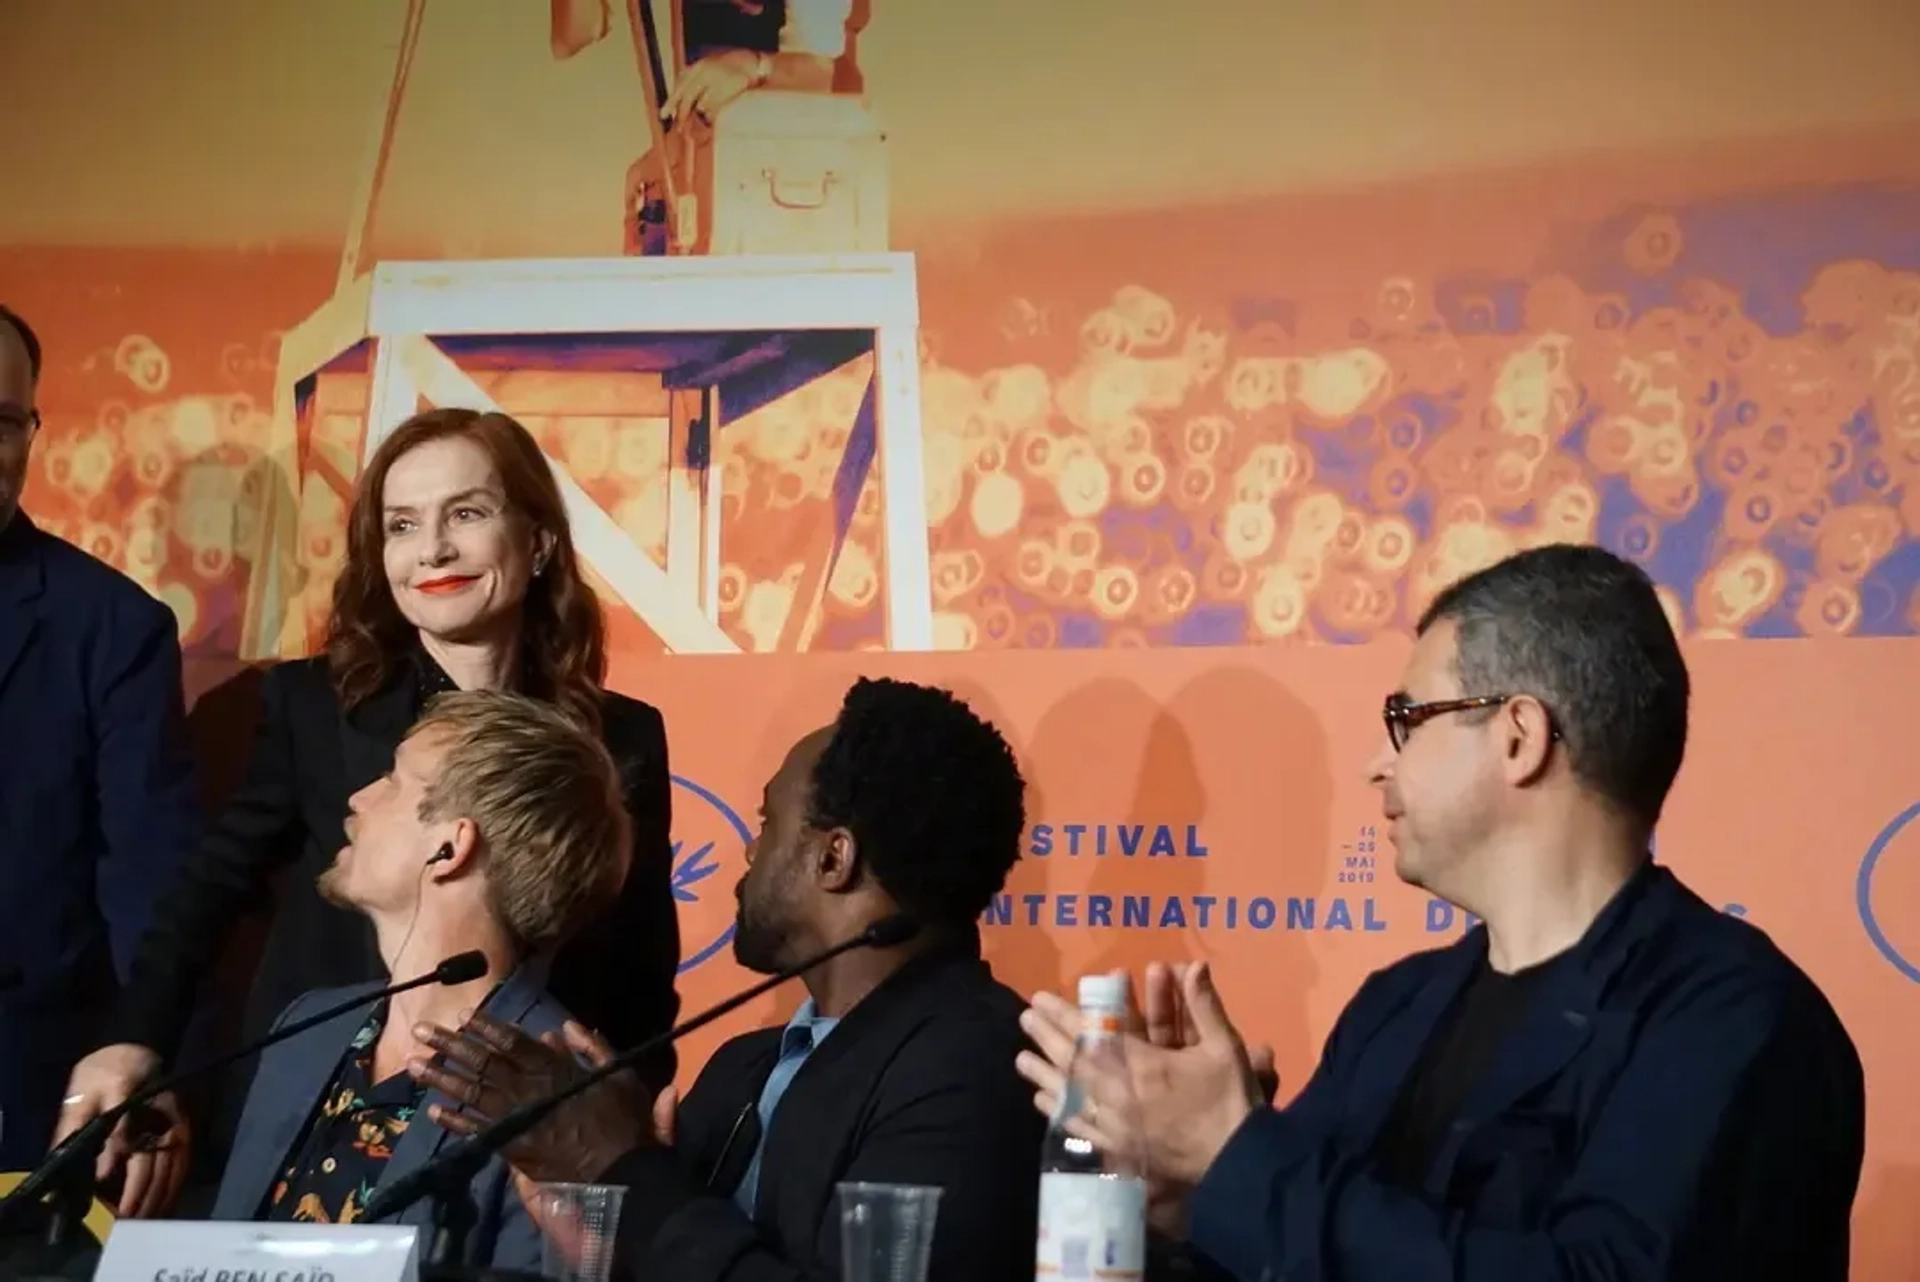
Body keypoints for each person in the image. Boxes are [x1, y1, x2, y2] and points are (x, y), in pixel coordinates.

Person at [1017, 544, 1866, 1282]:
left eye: (1406, 720)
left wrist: (1236, 1161)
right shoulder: (1398, 1007)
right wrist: (1176, 1186)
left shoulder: (1735, 1019)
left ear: (1519, 737)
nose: (1375, 769)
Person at [57, 407, 681, 1219]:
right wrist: (135, 1038)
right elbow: (205, 893)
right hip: (316, 1112)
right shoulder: (317, 707)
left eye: (467, 513)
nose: (433, 550)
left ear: (539, 541)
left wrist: (618, 1131)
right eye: (402, 525)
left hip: (522, 1130)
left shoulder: (622, 737)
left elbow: (637, 968)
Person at [404, 677, 1043, 1282]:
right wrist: (599, 1243)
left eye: (766, 824)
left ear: (832, 859)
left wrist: (619, 1164)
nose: (748, 851)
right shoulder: (741, 1068)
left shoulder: (979, 1069)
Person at [213, 690, 627, 1272]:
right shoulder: (306, 1029)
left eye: (393, 780)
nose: (359, 797)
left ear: (449, 847)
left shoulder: (551, 1080)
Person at [0, 303, 201, 1171]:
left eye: (3, 422)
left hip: (28, 1104)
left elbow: (150, 890)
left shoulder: (114, 629)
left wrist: (143, 1056)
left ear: (33, 431)